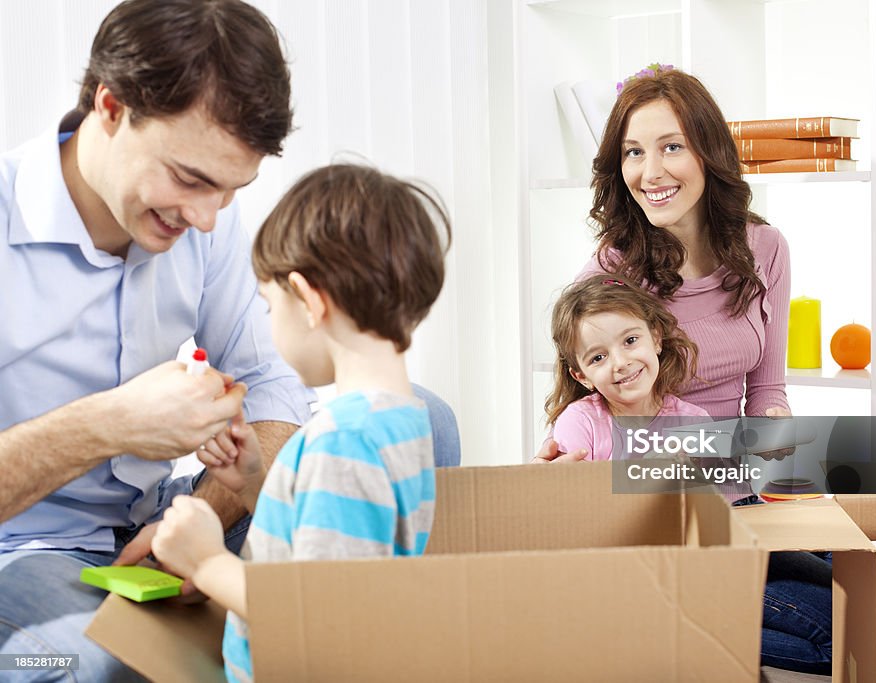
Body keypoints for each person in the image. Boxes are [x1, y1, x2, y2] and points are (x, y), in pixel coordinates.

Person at [0, 2, 454, 680]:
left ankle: (323, 623)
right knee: (101, 662)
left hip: (163, 514)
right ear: (111, 106)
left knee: (423, 420)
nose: (209, 221)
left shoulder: (197, 219)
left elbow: (273, 383)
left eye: (230, 191)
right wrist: (109, 423)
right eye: (190, 180)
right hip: (36, 549)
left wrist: (205, 511)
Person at [535, 65, 830, 674]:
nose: (651, 172)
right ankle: (647, 613)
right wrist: (560, 463)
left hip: (745, 502)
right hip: (665, 518)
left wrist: (781, 453)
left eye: (672, 147)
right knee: (833, 627)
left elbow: (767, 388)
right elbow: (584, 400)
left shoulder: (764, 248)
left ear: (709, 152)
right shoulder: (610, 273)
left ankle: (664, 616)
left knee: (869, 587)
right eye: (634, 153)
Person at [151, 162, 449, 683]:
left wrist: (206, 563)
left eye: (268, 305)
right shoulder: (403, 419)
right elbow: (332, 546)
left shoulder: (345, 442)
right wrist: (253, 484)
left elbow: (319, 617)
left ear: (309, 300)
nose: (267, 322)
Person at [545, 274, 708, 461]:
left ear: (656, 339)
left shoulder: (695, 423)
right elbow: (576, 489)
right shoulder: (580, 422)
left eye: (630, 340)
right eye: (598, 357)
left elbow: (707, 488)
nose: (621, 363)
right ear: (582, 377)